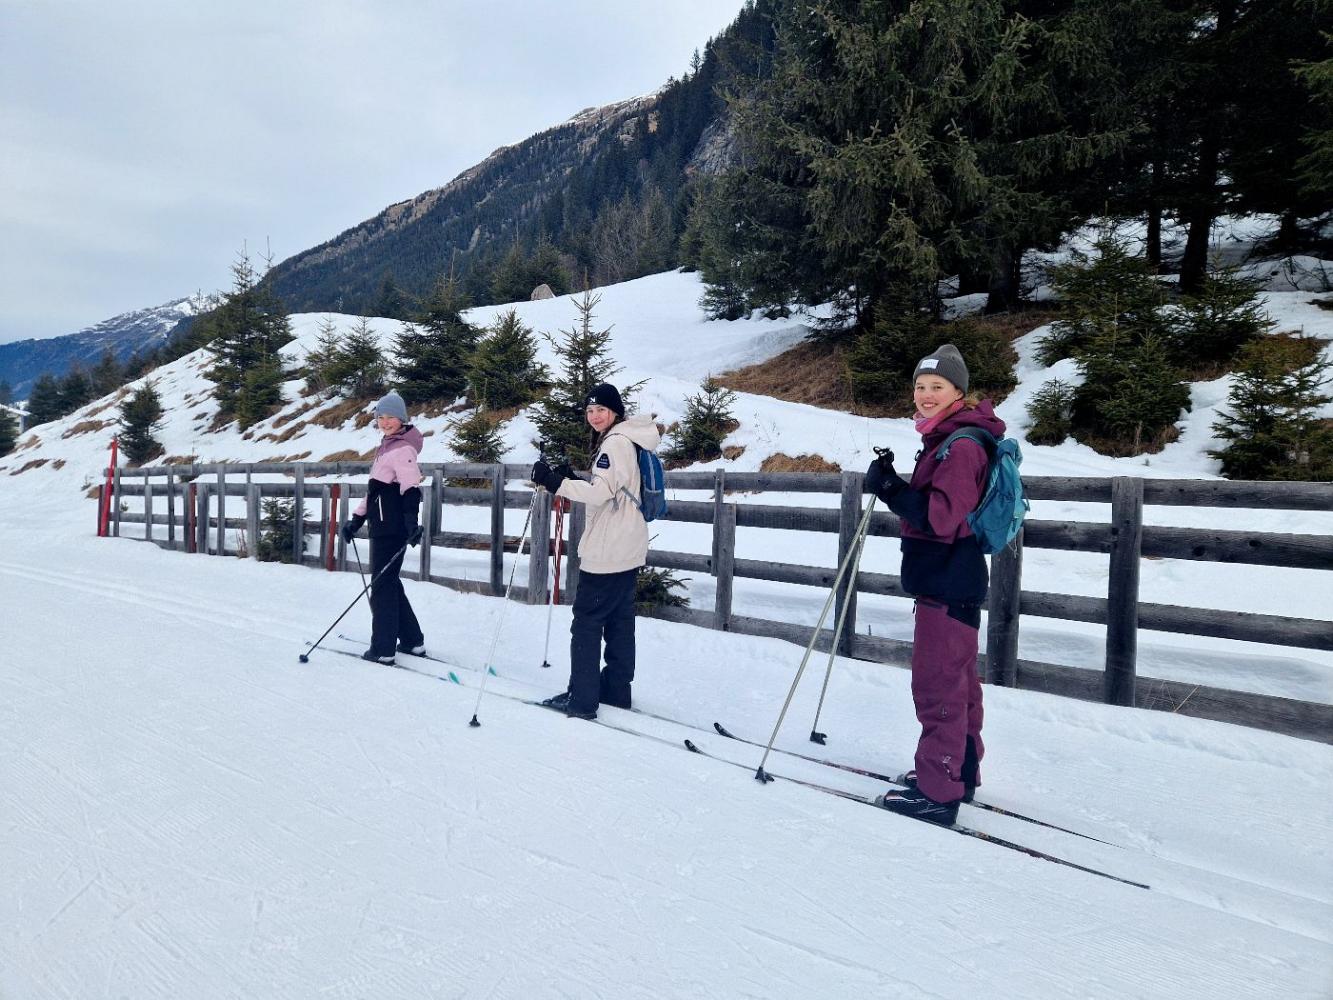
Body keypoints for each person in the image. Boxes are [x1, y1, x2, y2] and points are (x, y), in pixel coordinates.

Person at [863, 344, 1003, 826]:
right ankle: (958, 773)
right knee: (958, 683)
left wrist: (892, 489)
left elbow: (941, 518)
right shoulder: (948, 439)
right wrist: (896, 486)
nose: (925, 395)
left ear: (958, 392)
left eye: (936, 387)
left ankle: (937, 793)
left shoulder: (961, 446)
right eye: (920, 386)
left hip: (947, 578)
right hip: (950, 577)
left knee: (938, 686)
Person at [529, 383, 661, 720]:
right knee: (619, 621)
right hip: (628, 544)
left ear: (615, 411)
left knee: (587, 623)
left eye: (601, 409)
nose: (594, 416)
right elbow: (614, 488)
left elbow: (600, 494)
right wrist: (572, 478)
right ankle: (616, 691)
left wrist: (556, 482)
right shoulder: (631, 439)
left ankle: (583, 699)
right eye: (589, 410)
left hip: (607, 550)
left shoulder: (613, 443)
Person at [341, 390, 426, 665]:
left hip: (392, 528)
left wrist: (411, 522)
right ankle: (412, 640)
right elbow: (375, 492)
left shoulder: (403, 449)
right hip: (382, 525)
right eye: (381, 417)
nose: (386, 422)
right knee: (389, 582)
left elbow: (411, 488)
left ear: (402, 419)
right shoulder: (388, 446)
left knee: (381, 586)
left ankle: (383, 648)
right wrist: (356, 520)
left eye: (391, 417)